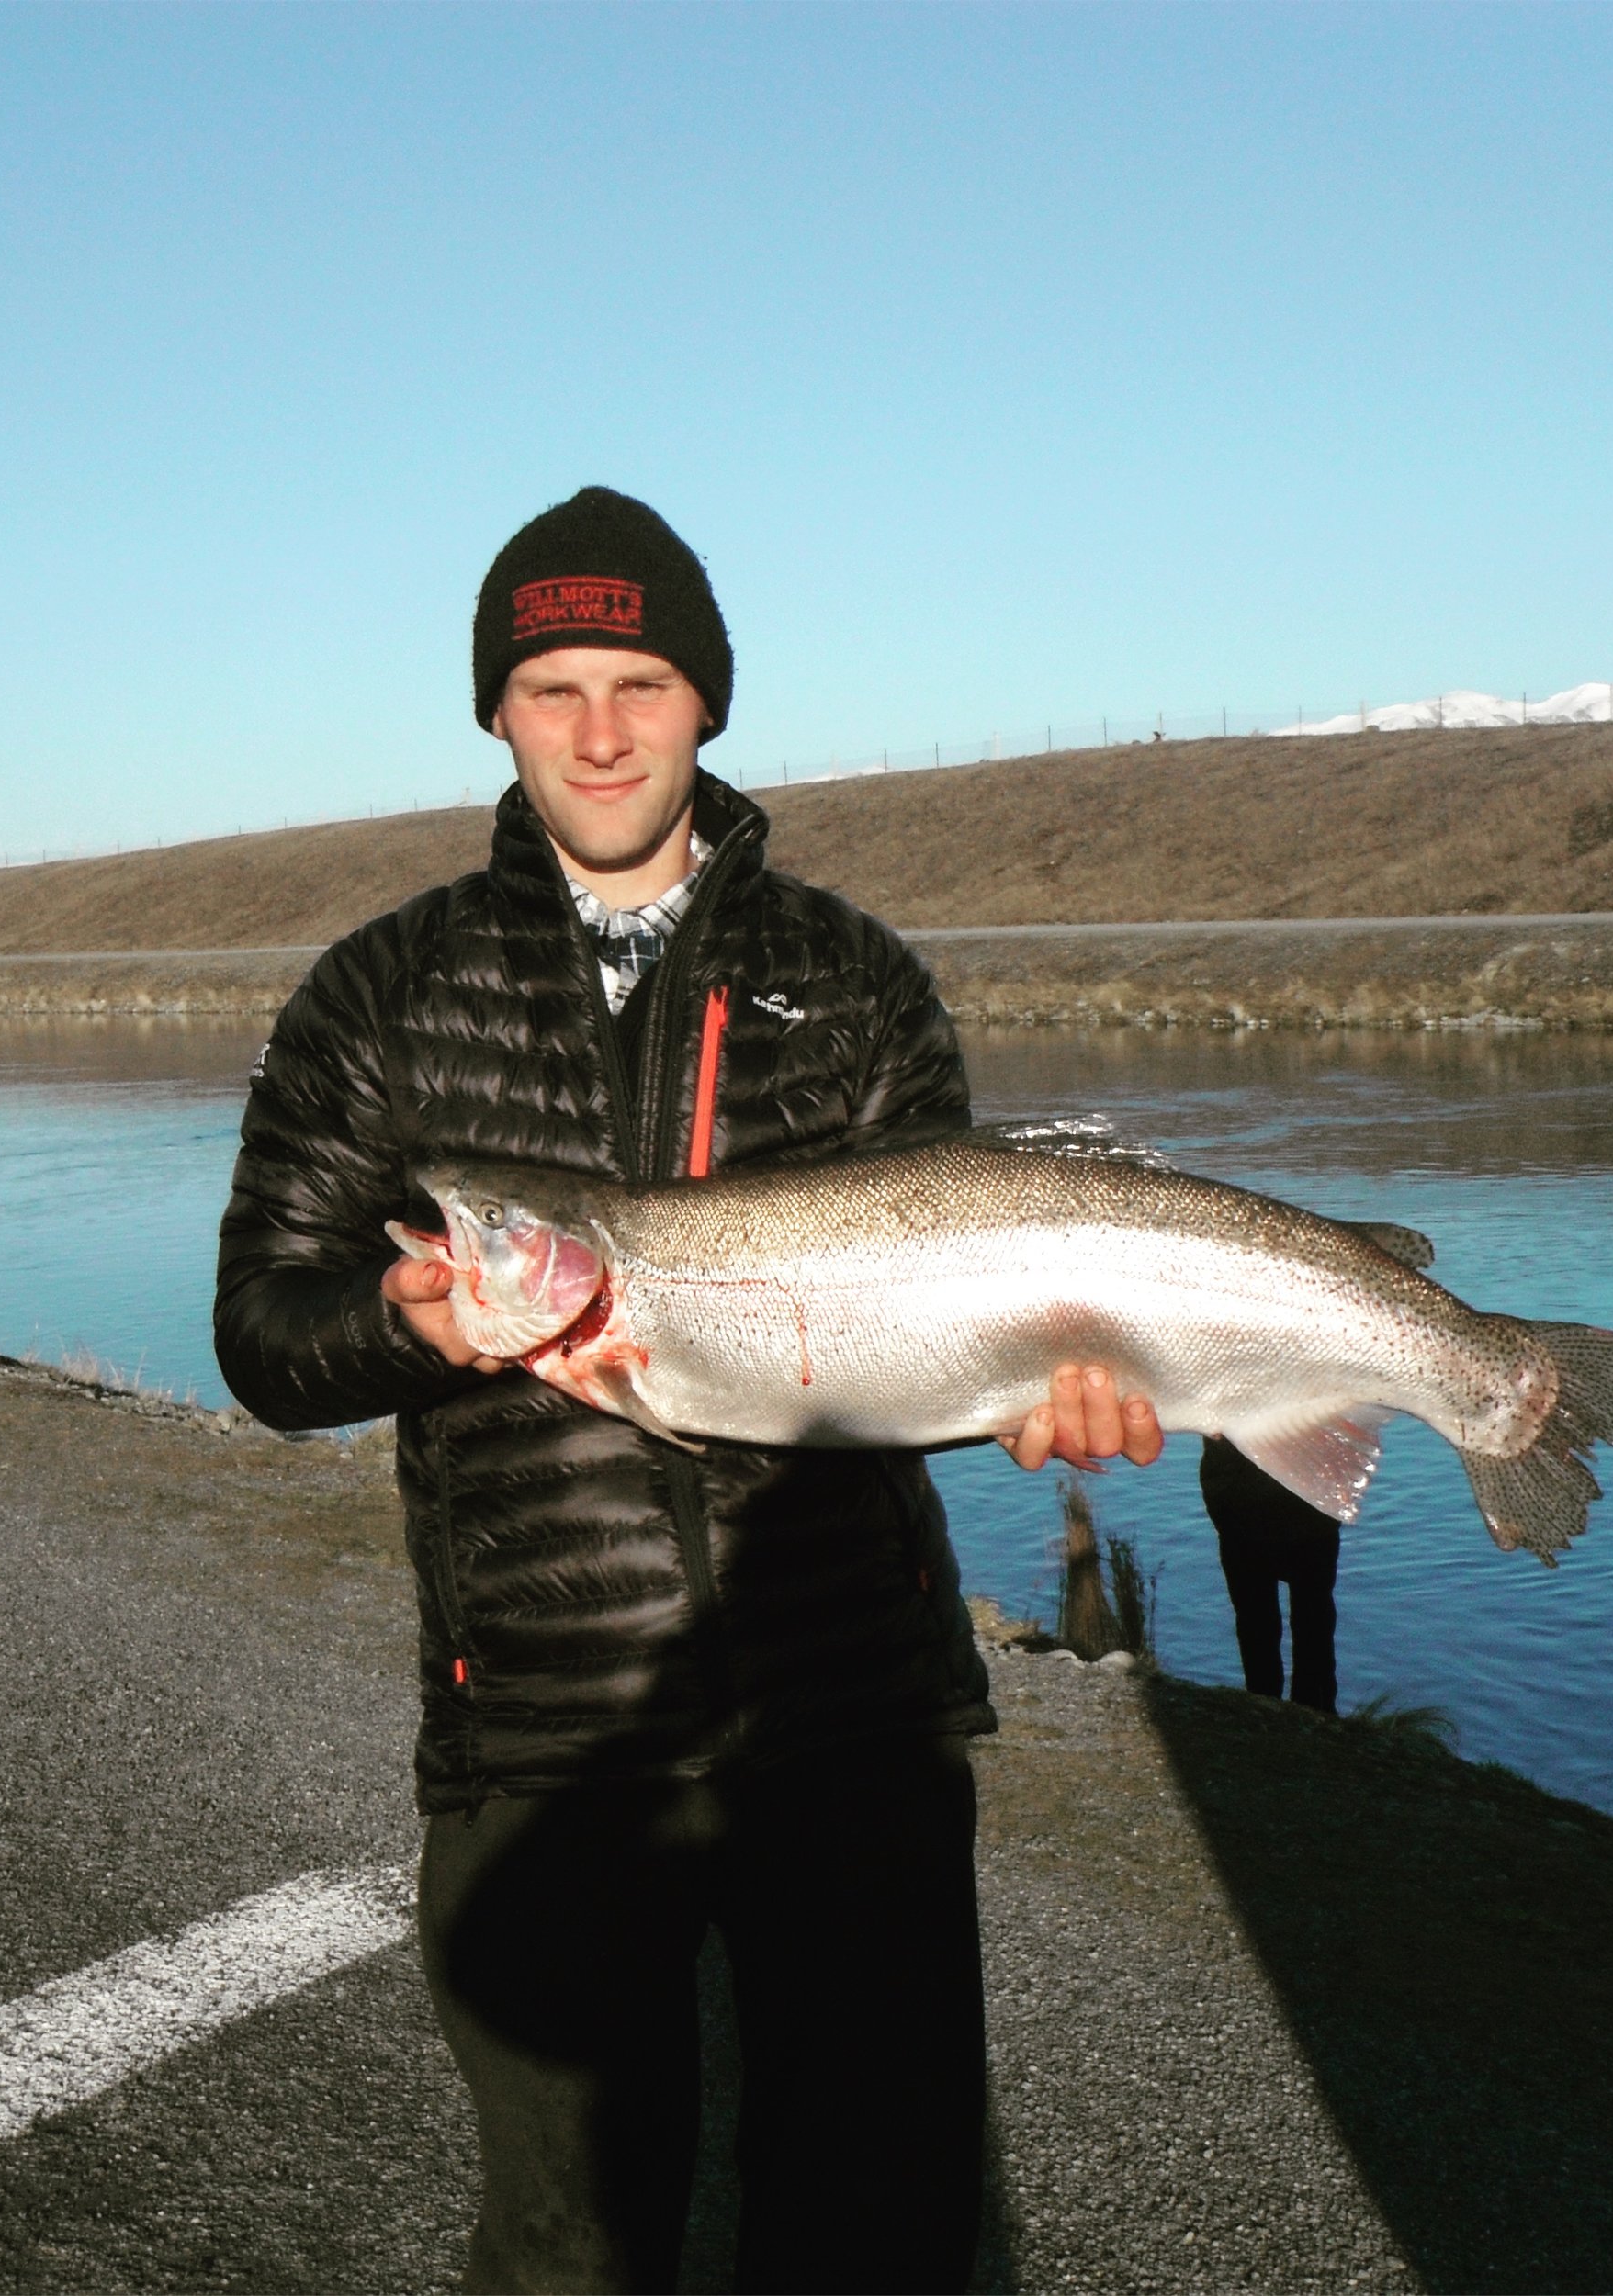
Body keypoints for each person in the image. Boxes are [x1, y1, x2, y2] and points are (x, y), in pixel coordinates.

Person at [214, 486, 1161, 2296]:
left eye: (637, 678)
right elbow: (264, 1329)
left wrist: (1053, 1399)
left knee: (877, 2233)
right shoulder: (379, 994)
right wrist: (414, 1323)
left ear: (705, 700)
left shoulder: (856, 977)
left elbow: (954, 1323)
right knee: (572, 2245)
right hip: (547, 1742)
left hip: (854, 1722)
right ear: (495, 708)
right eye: (551, 682)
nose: (595, 728)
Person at [1198, 1435, 1340, 1713]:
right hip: (1294, 1502)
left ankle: (1268, 1707)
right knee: (1309, 1616)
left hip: (1256, 1504)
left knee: (1263, 1619)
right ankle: (1312, 1711)